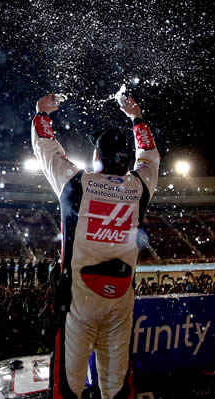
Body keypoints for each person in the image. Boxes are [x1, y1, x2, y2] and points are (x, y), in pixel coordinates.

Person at [32, 93, 159, 398]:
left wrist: (42, 114)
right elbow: (150, 155)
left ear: (97, 157)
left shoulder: (76, 183)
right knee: (117, 388)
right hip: (120, 301)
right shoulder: (139, 187)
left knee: (67, 386)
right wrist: (137, 118)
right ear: (126, 160)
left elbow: (45, 147)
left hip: (79, 301)